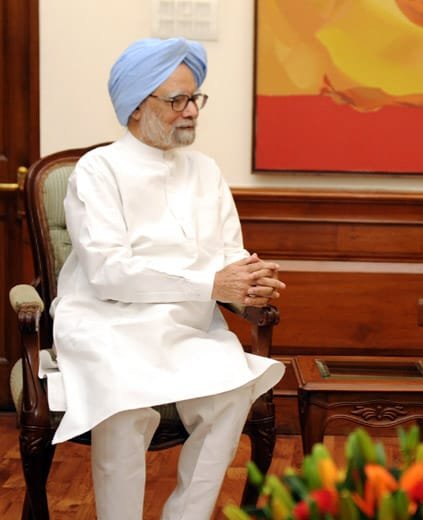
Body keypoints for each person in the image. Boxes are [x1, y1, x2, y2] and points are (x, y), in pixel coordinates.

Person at [47, 37, 286, 519]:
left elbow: (229, 254)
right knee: (125, 403)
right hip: (107, 324)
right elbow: (109, 273)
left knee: (231, 391)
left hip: (188, 327)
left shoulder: (206, 171)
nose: (191, 111)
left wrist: (250, 280)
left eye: (195, 98)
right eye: (176, 100)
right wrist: (211, 284)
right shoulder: (98, 170)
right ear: (137, 107)